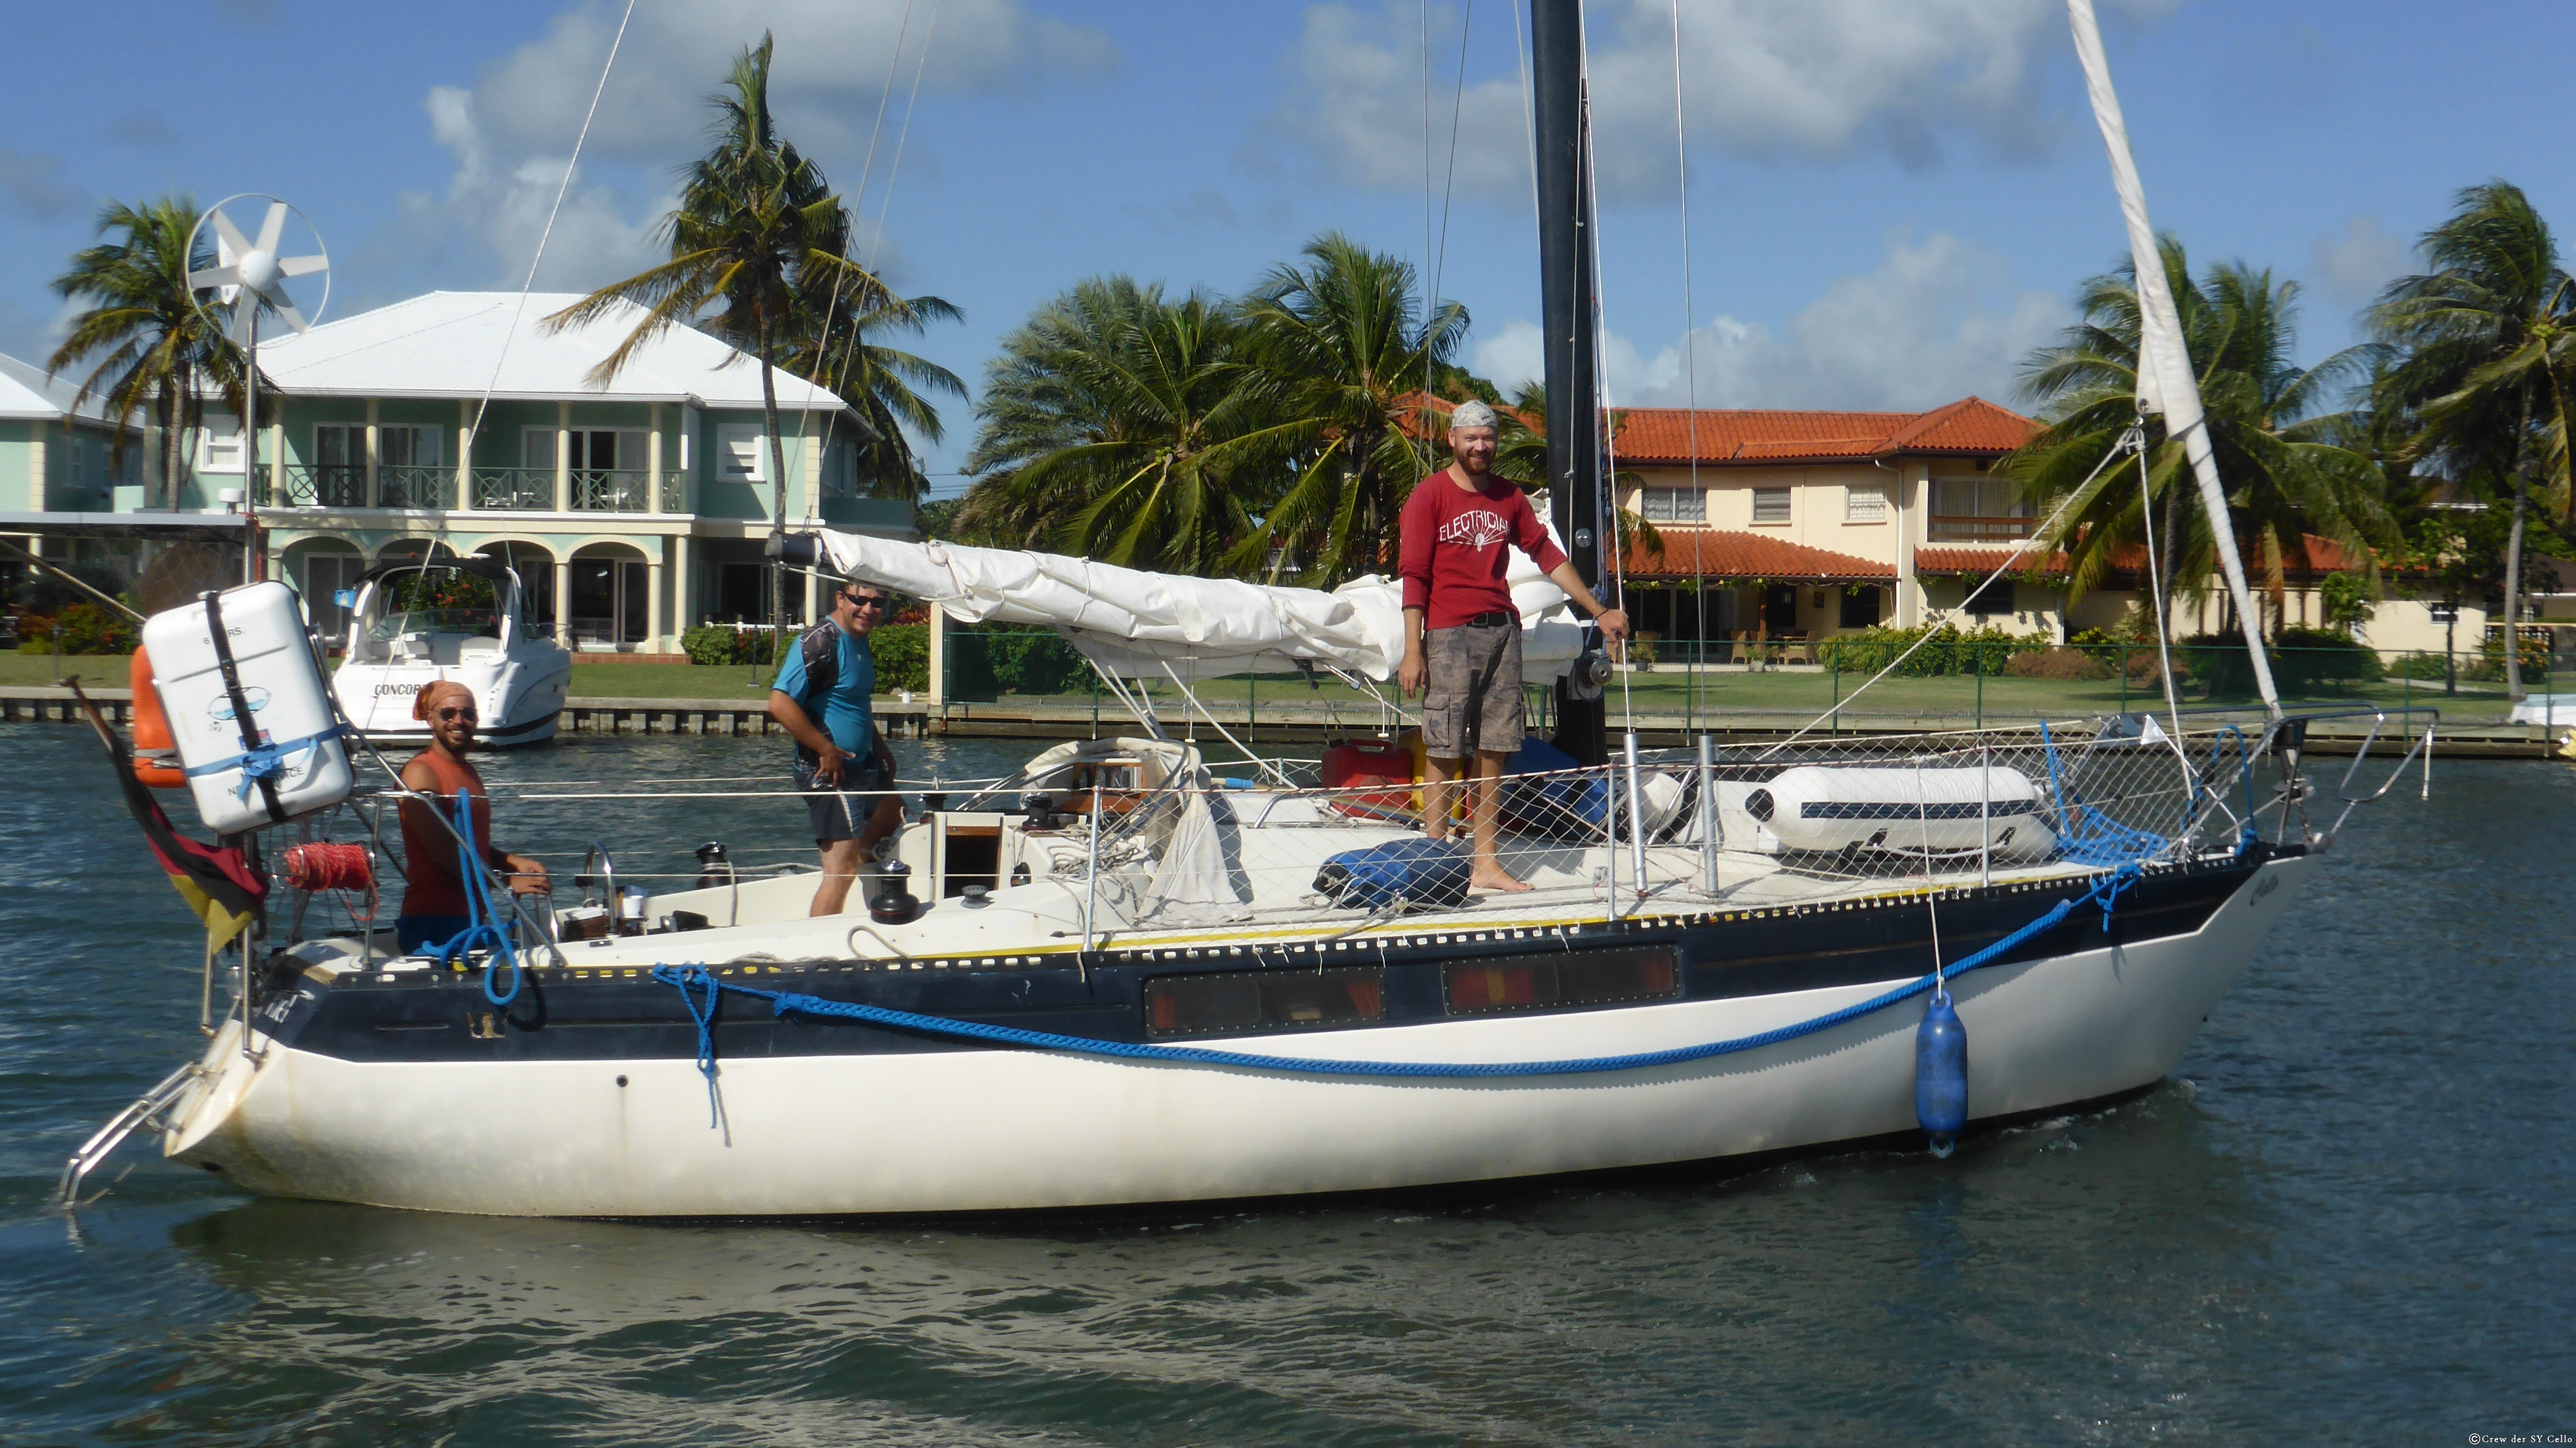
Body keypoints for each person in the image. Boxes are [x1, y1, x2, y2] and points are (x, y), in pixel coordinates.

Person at [1397, 399, 1629, 892]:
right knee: (1443, 749)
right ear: (1453, 441)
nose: (1480, 446)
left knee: (1495, 751)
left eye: (1488, 437)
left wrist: (1598, 610)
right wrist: (1412, 650)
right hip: (1447, 634)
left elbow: (1547, 555)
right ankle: (1434, 862)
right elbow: (1414, 578)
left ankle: (1485, 862)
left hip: (1503, 630)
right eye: (1470, 438)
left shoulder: (1510, 498)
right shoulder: (1429, 497)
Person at [768, 579, 903, 916]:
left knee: (892, 812)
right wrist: (826, 750)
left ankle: (864, 884)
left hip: (864, 764)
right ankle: (818, 956)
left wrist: (880, 747)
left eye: (877, 603)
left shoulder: (859, 639)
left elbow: (853, 702)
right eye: (860, 600)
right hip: (830, 772)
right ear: (841, 598)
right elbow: (780, 703)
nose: (868, 610)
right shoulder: (820, 642)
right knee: (840, 873)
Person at [395, 681, 549, 953]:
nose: (459, 721)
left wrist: (511, 862)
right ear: (430, 720)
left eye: (468, 714)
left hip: (470, 916)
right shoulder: (420, 773)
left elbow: (466, 842)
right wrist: (507, 882)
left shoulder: (468, 772)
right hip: (433, 922)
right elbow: (443, 853)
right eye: (448, 714)